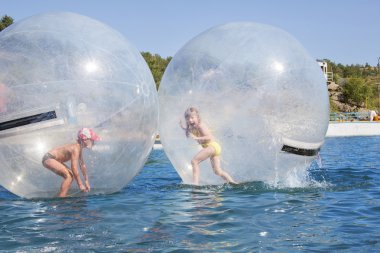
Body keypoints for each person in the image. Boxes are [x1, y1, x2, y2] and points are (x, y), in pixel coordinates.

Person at [179, 107, 237, 185]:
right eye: (188, 118)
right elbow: (188, 130)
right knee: (217, 171)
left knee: (194, 161)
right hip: (214, 149)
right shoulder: (193, 127)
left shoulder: (200, 126)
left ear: (197, 117)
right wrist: (183, 127)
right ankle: (233, 183)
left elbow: (209, 137)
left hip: (212, 146)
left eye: (192, 117)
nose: (190, 120)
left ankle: (195, 184)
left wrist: (197, 138)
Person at [42, 127, 100, 197]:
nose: (93, 142)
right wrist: (80, 184)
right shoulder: (75, 148)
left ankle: (62, 195)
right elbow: (74, 167)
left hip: (53, 159)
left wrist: (86, 181)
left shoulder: (79, 148)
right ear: (85, 140)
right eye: (91, 140)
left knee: (70, 175)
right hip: (49, 158)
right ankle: (61, 197)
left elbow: (82, 165)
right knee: (69, 176)